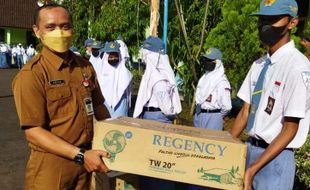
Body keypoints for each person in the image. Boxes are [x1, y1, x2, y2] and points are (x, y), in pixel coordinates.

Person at [12, 4, 111, 190]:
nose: (59, 32)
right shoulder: (33, 74)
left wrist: (119, 138)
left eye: (65, 26)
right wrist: (80, 154)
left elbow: (100, 109)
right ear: (37, 31)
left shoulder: (84, 67)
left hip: (88, 161)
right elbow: (33, 132)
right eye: (50, 27)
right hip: (52, 165)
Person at [230, 1, 310, 190]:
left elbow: (290, 129)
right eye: (262, 19)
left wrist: (253, 169)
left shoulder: (297, 68)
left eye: (273, 19)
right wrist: (224, 150)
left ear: (292, 23)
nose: (265, 25)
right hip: (249, 151)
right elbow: (245, 112)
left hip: (275, 159)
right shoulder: (259, 65)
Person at [133, 36, 182, 190]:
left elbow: (167, 108)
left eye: (146, 53)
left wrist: (173, 112)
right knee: (151, 161)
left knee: (159, 162)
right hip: (154, 118)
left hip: (157, 120)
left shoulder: (158, 78)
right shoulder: (154, 74)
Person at [193, 48, 232, 130]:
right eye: (205, 60)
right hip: (199, 114)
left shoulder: (221, 81)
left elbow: (227, 107)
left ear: (217, 62)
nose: (207, 62)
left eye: (210, 60)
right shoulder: (204, 77)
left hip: (213, 117)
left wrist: (216, 116)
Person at [92, 41, 132, 118]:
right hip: (104, 105)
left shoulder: (125, 73)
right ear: (106, 56)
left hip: (121, 107)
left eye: (115, 56)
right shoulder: (100, 72)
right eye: (111, 56)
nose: (113, 58)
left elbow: (128, 93)